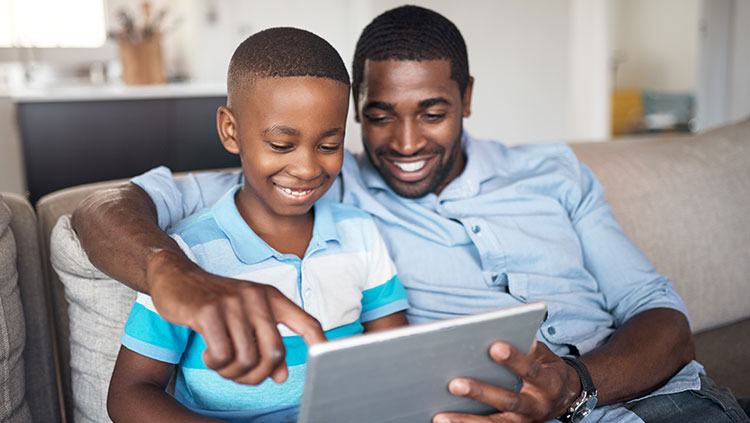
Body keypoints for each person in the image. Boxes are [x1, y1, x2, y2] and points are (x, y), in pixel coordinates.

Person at [75, 5, 749, 423]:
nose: (403, 144)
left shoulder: (555, 171)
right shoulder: (320, 183)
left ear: (468, 98)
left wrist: (575, 383)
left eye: (432, 112)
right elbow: (101, 209)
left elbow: (663, 319)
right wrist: (170, 271)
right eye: (377, 117)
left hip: (655, 401)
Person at [105, 27, 408, 423]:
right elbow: (129, 395)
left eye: (329, 145)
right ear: (231, 131)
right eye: (282, 145)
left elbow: (397, 358)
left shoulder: (360, 233)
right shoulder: (186, 255)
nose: (307, 168)